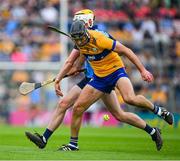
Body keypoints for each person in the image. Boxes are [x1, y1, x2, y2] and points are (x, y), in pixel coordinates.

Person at [25, 10, 172, 151]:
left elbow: (126, 51)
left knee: (129, 98)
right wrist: (68, 73)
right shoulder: (80, 41)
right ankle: (152, 132)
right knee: (81, 109)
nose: (80, 42)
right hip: (98, 78)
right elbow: (75, 63)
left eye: (81, 38)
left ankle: (159, 111)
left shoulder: (100, 37)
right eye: (77, 40)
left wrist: (143, 70)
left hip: (116, 71)